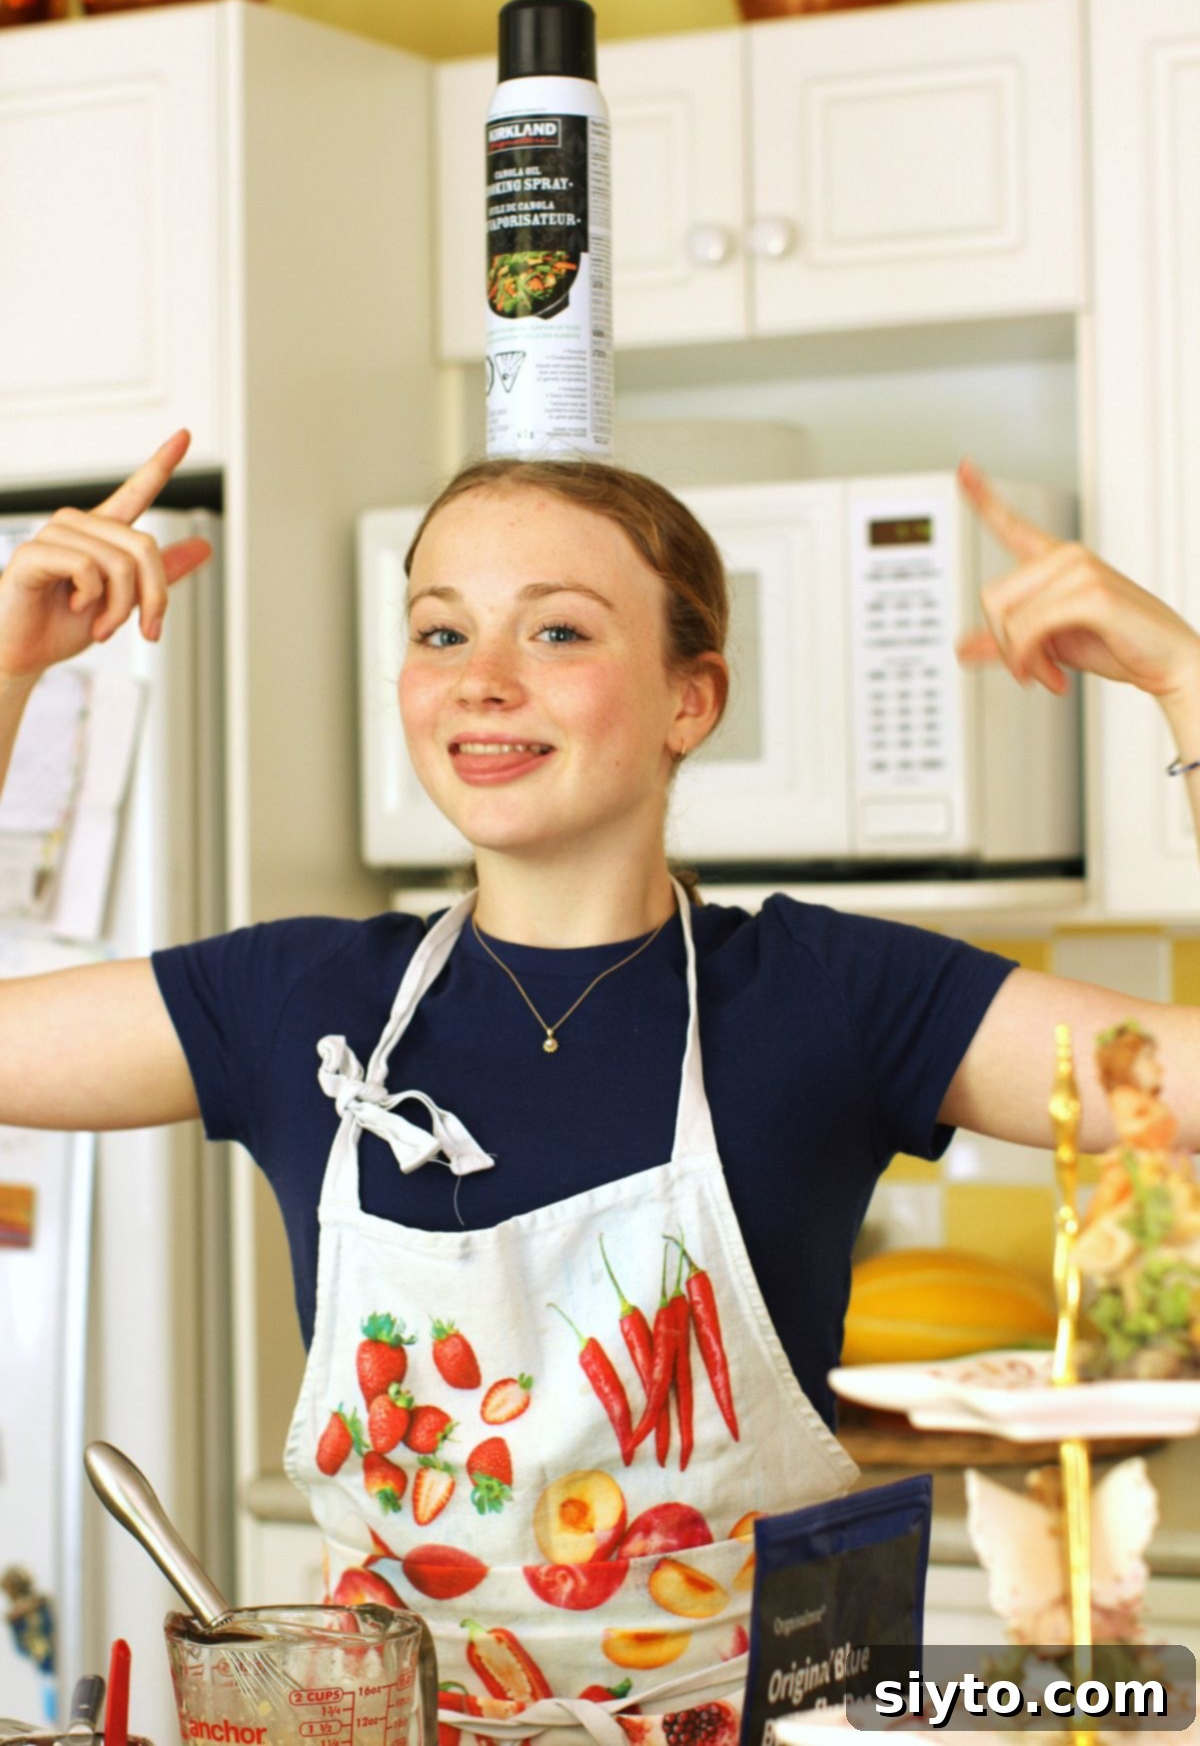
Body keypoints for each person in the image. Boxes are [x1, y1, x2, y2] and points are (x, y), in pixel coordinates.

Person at [2, 432, 1199, 1745]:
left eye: (559, 632)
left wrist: (1181, 675)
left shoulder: (831, 998)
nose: (484, 684)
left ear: (693, 699)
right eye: (441, 634)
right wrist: (7, 670)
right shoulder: (301, 1005)